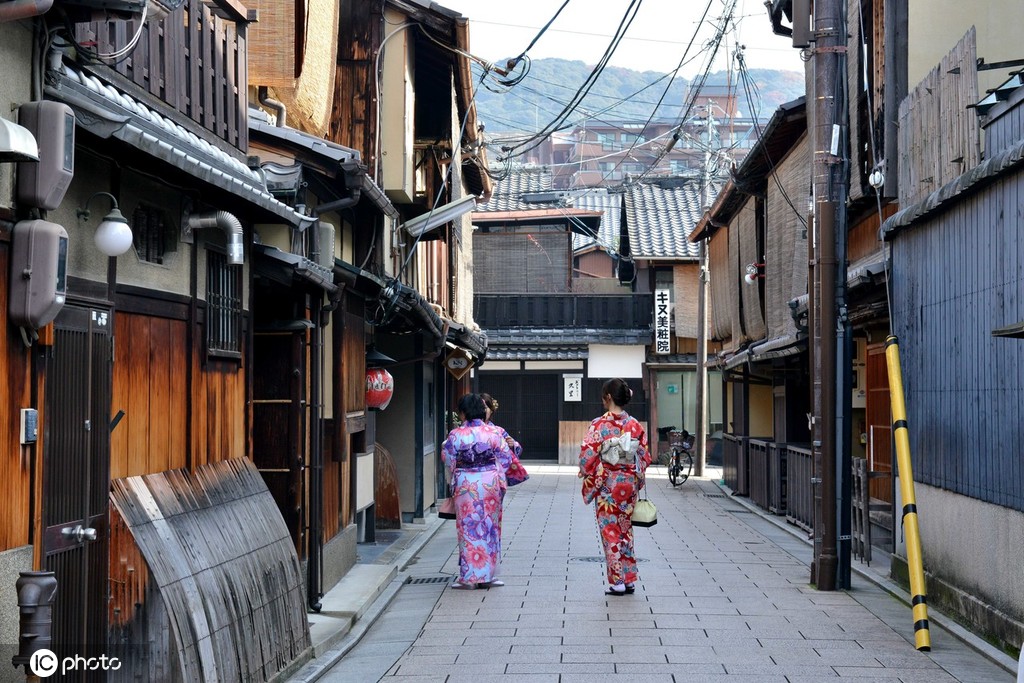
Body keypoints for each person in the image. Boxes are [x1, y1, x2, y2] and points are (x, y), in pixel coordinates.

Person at [578, 378, 651, 596]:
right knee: (625, 529)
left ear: (608, 397)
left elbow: (587, 457)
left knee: (610, 530)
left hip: (608, 485)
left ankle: (617, 581)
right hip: (628, 484)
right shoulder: (635, 425)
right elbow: (645, 456)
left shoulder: (599, 425)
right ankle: (629, 579)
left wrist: (586, 470)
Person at [442, 393, 513, 589]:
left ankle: (469, 577)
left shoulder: (456, 435)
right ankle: (488, 575)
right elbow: (506, 459)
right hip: (490, 484)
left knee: (467, 529)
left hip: (466, 486)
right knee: (490, 527)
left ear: (462, 413)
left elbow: (447, 459)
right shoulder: (493, 433)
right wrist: (493, 471)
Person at [480, 393, 529, 488]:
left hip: (495, 475)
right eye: (480, 407)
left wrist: (511, 445)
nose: (483, 410)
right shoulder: (466, 431)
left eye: (486, 407)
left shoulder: (499, 430)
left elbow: (516, 447)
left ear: (491, 410)